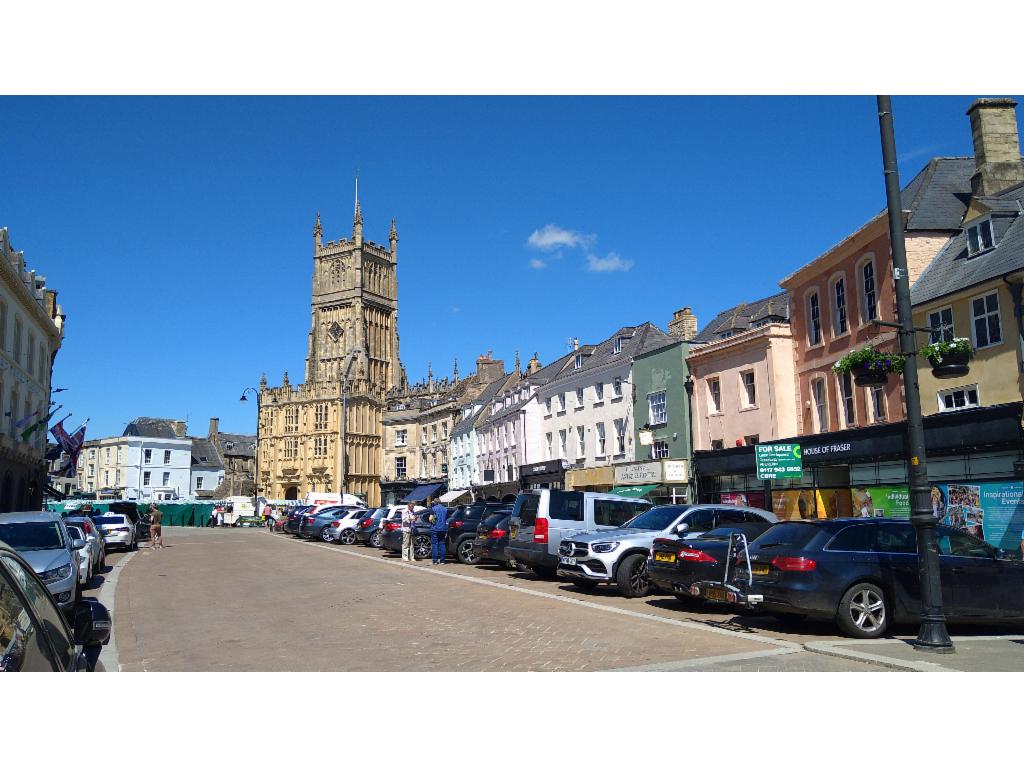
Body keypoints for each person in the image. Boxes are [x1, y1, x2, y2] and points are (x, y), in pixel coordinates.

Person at [428, 497, 448, 564]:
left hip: (435, 528)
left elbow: (430, 519)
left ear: (435, 503)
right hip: (443, 528)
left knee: (435, 544)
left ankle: (435, 560)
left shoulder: (433, 509)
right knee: (442, 544)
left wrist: (431, 520)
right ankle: (442, 560)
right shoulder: (445, 509)